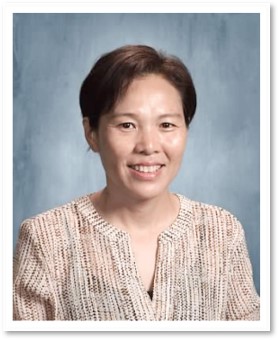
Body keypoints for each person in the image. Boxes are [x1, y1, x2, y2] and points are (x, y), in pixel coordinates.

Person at [13, 45, 260, 321]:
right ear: (91, 133)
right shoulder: (46, 239)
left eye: (166, 125)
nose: (149, 146)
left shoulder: (222, 233)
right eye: (127, 125)